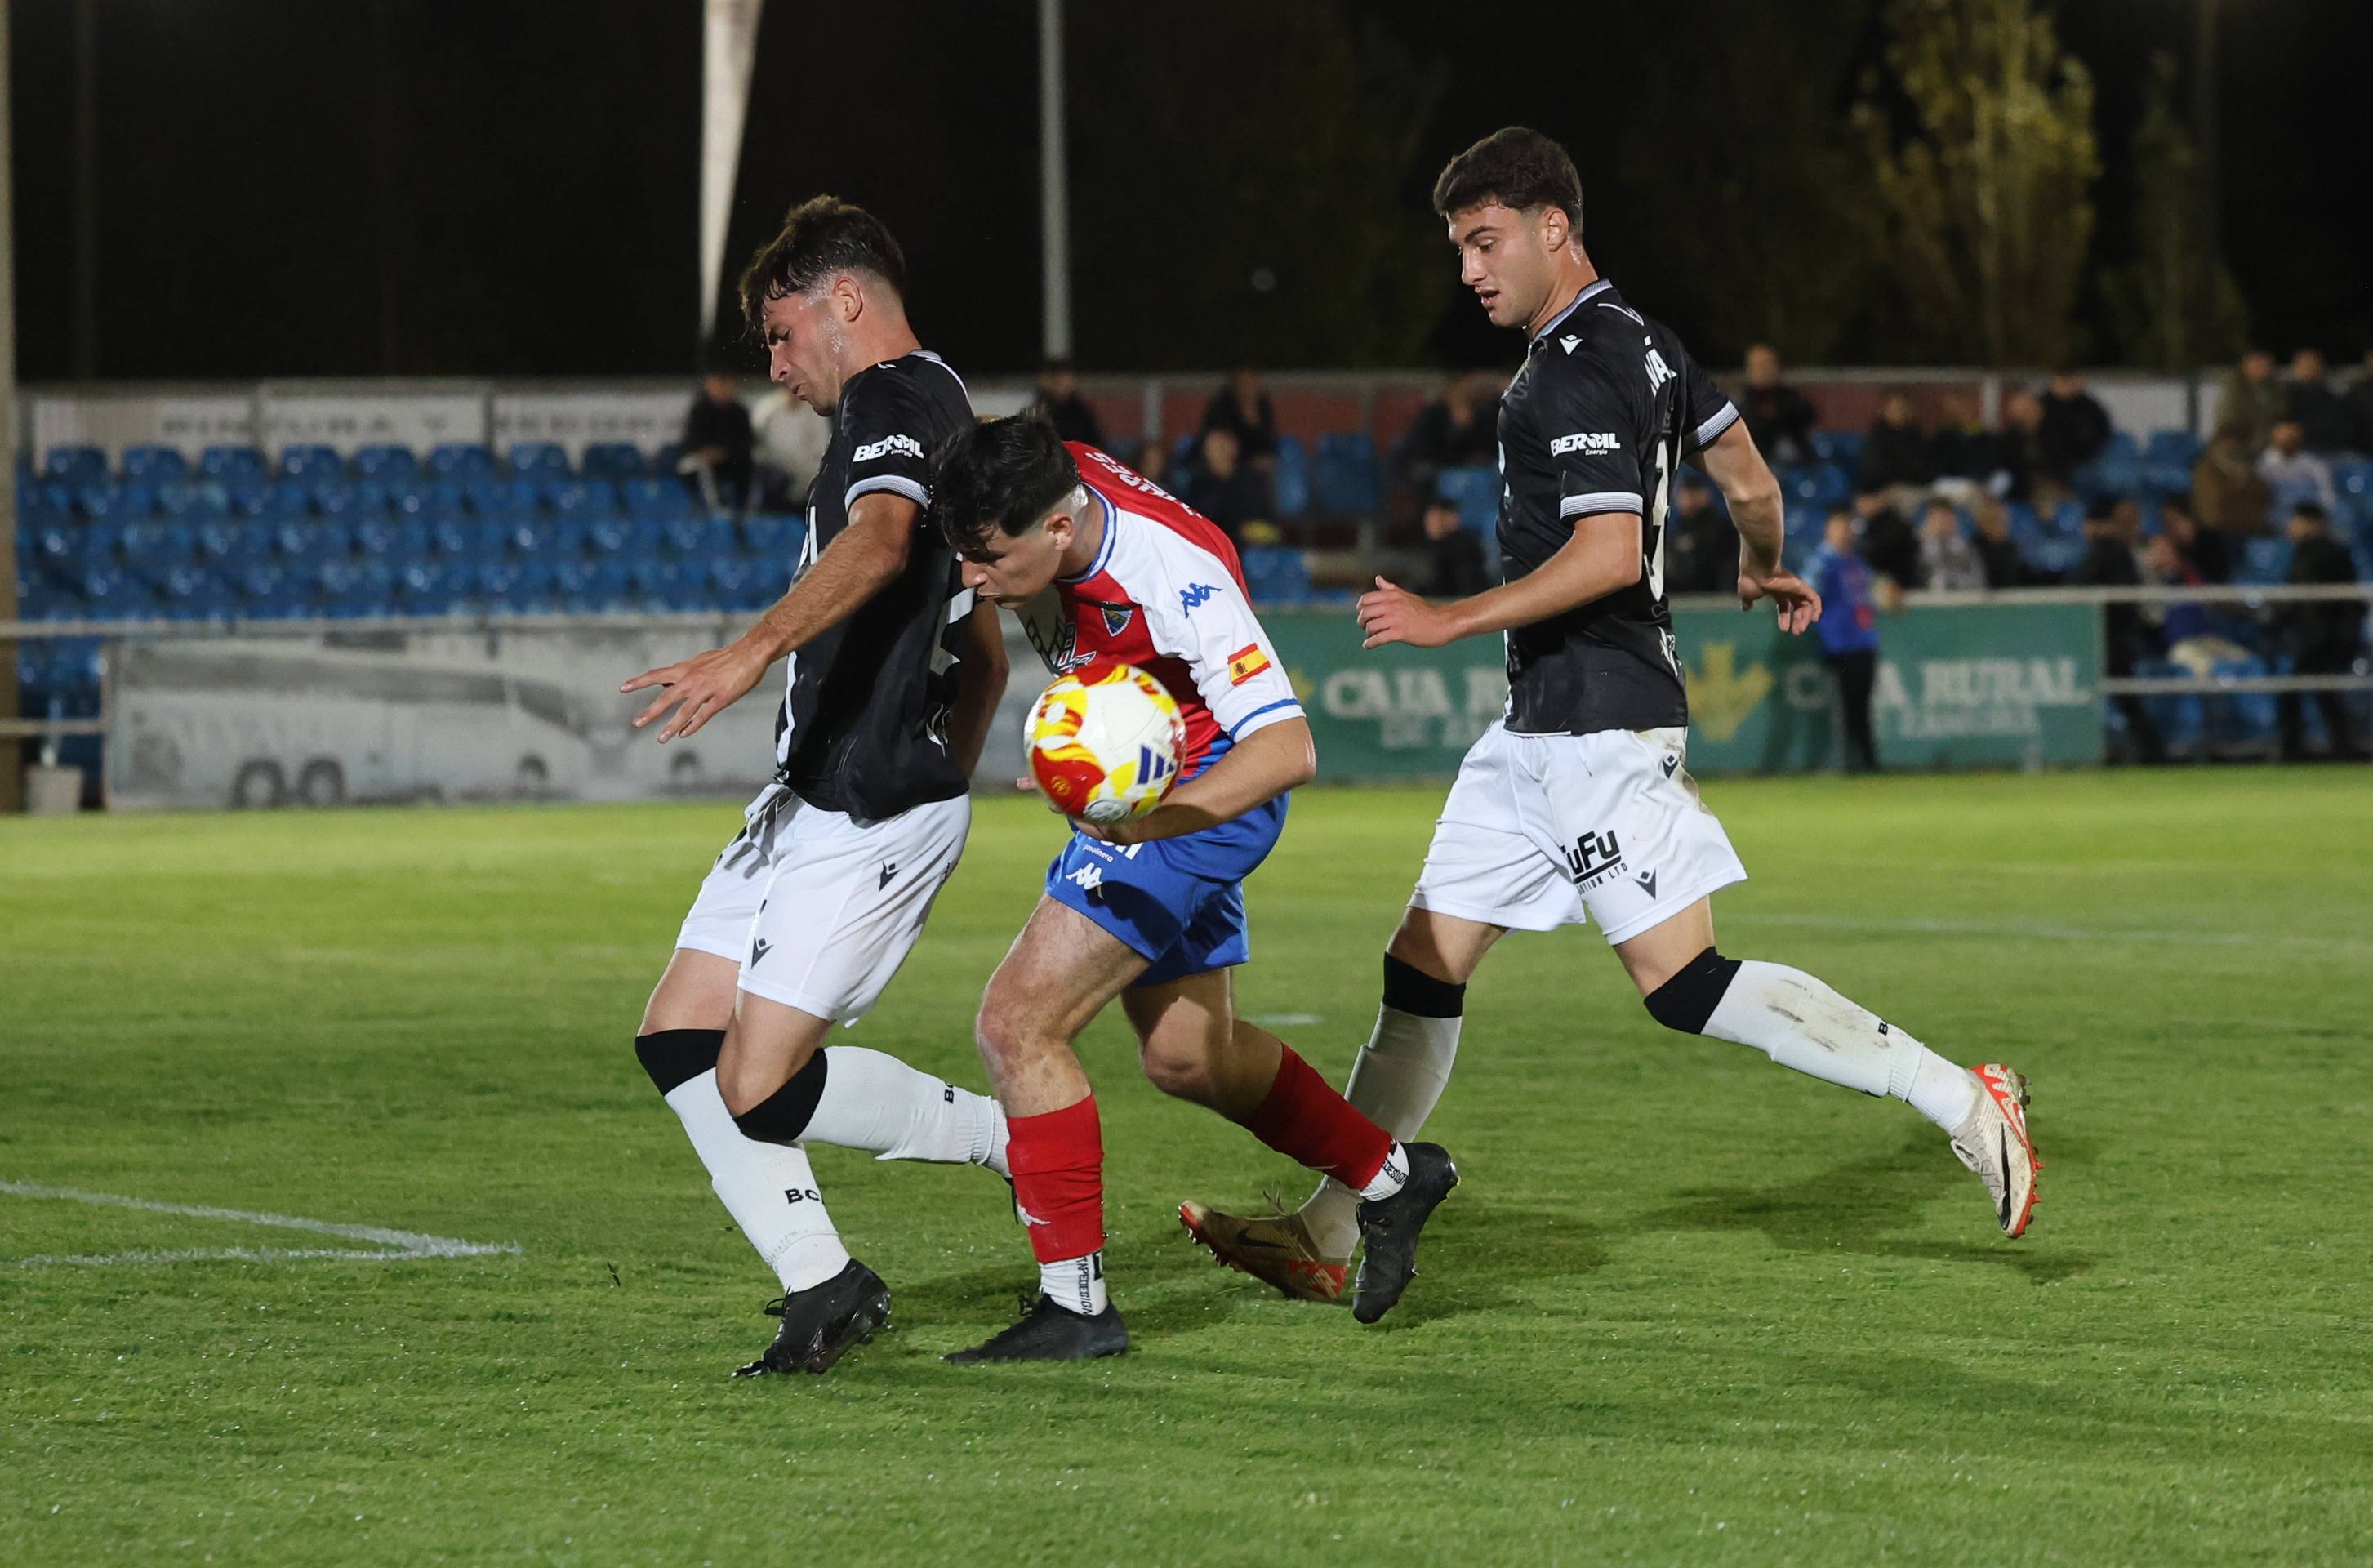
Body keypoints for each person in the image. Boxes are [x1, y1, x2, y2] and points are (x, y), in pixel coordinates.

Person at [1182, 127, 2040, 1303]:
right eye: (1458, 249)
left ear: (1553, 229)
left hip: (1598, 725)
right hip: (1535, 729)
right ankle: (1335, 1228)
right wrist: (1759, 564)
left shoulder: (1566, 371)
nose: (1469, 271)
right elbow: (1747, 478)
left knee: (1680, 987)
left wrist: (1449, 617)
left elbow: (1605, 553)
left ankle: (1958, 1095)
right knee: (1420, 967)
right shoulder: (1648, 346)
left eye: (1484, 243)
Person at [926, 420, 1459, 1361]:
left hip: (1200, 796)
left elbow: (1288, 750)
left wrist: (1148, 823)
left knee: (1016, 1024)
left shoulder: (1173, 580)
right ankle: (1392, 1179)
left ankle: (1077, 1309)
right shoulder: (1047, 480)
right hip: (1155, 777)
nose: (972, 579)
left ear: (1057, 528)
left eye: (987, 558)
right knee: (1187, 1057)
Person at [619, 198, 1012, 1379]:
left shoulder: (894, 400)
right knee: (678, 1036)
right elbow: (982, 647)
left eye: (781, 334)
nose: (775, 366)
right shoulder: (937, 409)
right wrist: (939, 751)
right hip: (823, 789)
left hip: (862, 805)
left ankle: (1015, 1137)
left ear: (845, 300)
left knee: (754, 1082)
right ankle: (824, 1283)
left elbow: (884, 539)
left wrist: (747, 655)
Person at [2067, 496, 2165, 764]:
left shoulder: (2104, 551)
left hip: (2109, 635)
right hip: (2118, 633)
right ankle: (2150, 750)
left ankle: (2150, 751)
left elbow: (2079, 587)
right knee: (2124, 696)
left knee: (2118, 695)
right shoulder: (2118, 550)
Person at [2274, 503, 2369, 761]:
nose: (2290, 526)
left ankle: (2294, 750)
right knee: (2323, 694)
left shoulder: (2330, 553)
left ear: (2311, 523)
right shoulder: (2304, 553)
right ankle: (2340, 748)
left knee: (2297, 692)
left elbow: (2344, 601)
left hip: (2325, 638)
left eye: (2296, 521)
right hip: (2316, 637)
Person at [1809, 510, 1883, 773]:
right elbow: (1808, 593)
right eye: (1839, 527)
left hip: (1863, 640)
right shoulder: (1822, 562)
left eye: (1847, 527)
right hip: (1838, 644)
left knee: (1861, 705)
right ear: (1828, 529)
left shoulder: (1856, 562)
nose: (1845, 532)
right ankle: (1847, 762)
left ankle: (1867, 762)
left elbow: (1868, 595)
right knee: (1844, 705)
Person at [1395, 369, 1503, 492]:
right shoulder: (1434, 413)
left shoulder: (1479, 412)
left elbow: (1487, 446)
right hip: (1432, 465)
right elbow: (1433, 451)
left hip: (1469, 468)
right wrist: (1457, 429)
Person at [679, 370, 757, 511]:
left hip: (731, 459)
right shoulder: (699, 410)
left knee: (749, 466)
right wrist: (707, 452)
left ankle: (745, 511)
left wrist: (724, 452)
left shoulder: (739, 411)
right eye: (719, 383)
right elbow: (690, 440)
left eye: (727, 384)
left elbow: (746, 441)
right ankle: (715, 510)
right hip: (702, 460)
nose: (723, 388)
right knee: (704, 468)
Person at [1182, 425, 1272, 545]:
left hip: (1249, 546)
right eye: (1212, 446)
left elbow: (1260, 520)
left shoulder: (1249, 479)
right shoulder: (1198, 483)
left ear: (1234, 447)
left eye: (1222, 445)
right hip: (1211, 544)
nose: (1218, 451)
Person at [750, 383, 831, 510]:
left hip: (806, 475)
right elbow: (757, 446)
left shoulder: (815, 413)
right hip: (774, 474)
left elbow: (822, 450)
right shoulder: (767, 410)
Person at [1738, 344, 1818, 469]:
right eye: (1759, 366)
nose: (1765, 371)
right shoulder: (1741, 401)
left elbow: (1808, 415)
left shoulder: (1788, 396)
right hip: (1759, 464)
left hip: (1797, 463)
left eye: (1769, 365)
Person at [2191, 421, 2273, 535]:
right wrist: (2245, 494)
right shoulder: (2206, 469)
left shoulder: (2247, 469)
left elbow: (2264, 492)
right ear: (2219, 441)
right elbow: (2215, 509)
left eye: (2239, 440)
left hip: (2252, 529)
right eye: (2229, 439)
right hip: (2217, 534)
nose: (2234, 444)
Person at [2035, 369, 2112, 489]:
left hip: (2090, 461)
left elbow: (2104, 432)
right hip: (2055, 467)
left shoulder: (2088, 405)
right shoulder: (2041, 405)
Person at [1662, 470, 1732, 597]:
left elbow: (1719, 569)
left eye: (1691, 492)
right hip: (1681, 597)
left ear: (1705, 494)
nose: (1685, 498)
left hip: (1713, 598)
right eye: (1684, 492)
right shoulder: (1678, 525)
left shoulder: (1719, 526)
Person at [2257, 420, 2337, 521]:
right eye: (2284, 435)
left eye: (2293, 435)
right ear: (2274, 436)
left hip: (2309, 516)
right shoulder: (2264, 464)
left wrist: (2317, 516)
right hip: (2277, 516)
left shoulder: (2313, 464)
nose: (2289, 439)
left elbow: (2327, 495)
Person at [1859, 392, 1934, 499]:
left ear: (1909, 411)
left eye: (1901, 408)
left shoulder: (1917, 437)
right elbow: (1872, 472)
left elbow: (1925, 473)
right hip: (1879, 491)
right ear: (1884, 411)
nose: (1897, 412)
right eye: (1892, 408)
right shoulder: (1876, 437)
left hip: (1911, 491)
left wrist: (1898, 484)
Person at [1201, 368, 1279, 465]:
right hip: (1222, 465)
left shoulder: (1263, 407)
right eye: (1244, 383)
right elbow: (1218, 441)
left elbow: (1267, 444)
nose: (1248, 388)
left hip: (1252, 467)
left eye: (1252, 382)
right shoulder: (1220, 407)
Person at [2282, 350, 2353, 456]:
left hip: (2332, 449)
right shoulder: (2286, 394)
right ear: (2296, 369)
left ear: (2320, 369)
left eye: (2313, 366)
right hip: (2299, 451)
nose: (2309, 370)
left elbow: (2339, 425)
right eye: (2304, 366)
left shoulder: (2331, 394)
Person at [1421, 492, 1493, 597]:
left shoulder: (1463, 548)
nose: (1431, 523)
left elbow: (1467, 588)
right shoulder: (1430, 547)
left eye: (1438, 517)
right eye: (1429, 518)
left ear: (1452, 518)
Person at [1027, 356, 1107, 448]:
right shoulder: (1038, 412)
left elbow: (1096, 443)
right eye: (1054, 379)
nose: (1059, 384)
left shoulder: (1082, 411)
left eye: (1063, 379)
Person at [2221, 349, 2283, 454]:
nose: (2263, 368)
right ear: (2246, 366)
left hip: (2270, 441)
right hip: (2242, 441)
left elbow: (2280, 414)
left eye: (2266, 365)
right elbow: (2230, 420)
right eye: (2258, 364)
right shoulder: (2235, 389)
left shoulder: (2274, 389)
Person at [1917, 500, 1985, 592]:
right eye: (1937, 518)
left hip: (1961, 600)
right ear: (1928, 520)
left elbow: (1979, 581)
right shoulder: (1916, 548)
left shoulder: (1967, 548)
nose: (1942, 523)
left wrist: (1951, 582)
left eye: (1946, 517)